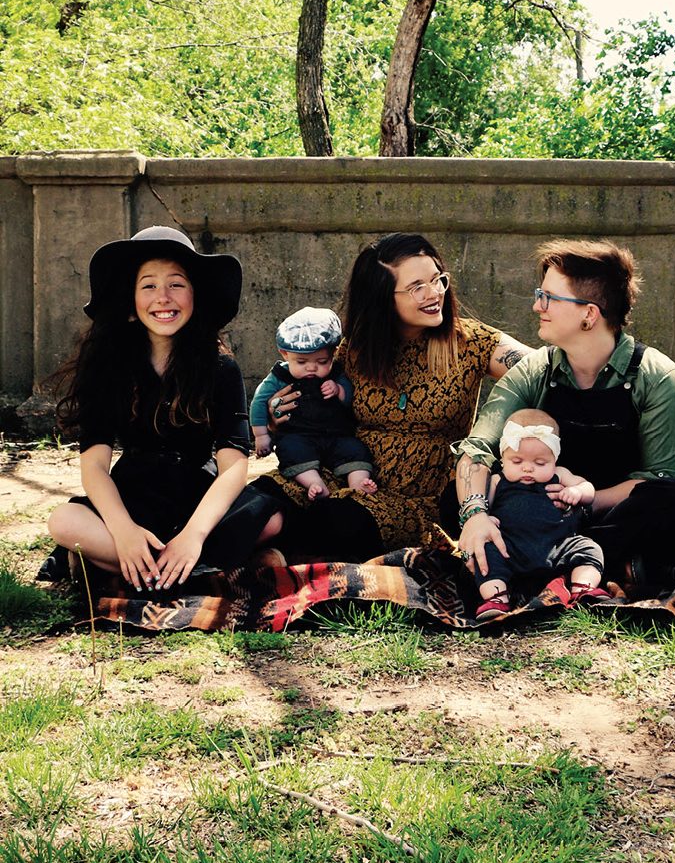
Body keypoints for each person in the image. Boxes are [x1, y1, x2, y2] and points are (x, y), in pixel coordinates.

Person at [264, 233, 532, 561]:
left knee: (337, 522)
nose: (434, 293)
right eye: (417, 286)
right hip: (342, 469)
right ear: (381, 298)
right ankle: (261, 554)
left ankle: (275, 558)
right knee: (258, 501)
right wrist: (276, 421)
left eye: (437, 279)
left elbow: (542, 369)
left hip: (415, 497)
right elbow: (316, 404)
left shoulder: (472, 342)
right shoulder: (356, 348)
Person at [454, 240, 675, 595]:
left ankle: (547, 568)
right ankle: (602, 570)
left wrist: (584, 498)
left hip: (609, 516)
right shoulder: (533, 372)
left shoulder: (656, 376)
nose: (537, 305)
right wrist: (475, 515)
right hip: (535, 518)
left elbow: (657, 478)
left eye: (549, 298)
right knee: (458, 494)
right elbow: (478, 448)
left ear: (589, 314)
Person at [47, 226, 283, 591]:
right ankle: (188, 570)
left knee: (271, 519)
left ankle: (125, 568)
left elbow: (234, 464)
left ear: (195, 294)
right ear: (131, 299)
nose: (163, 297)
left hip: (197, 495)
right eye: (148, 286)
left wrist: (194, 535)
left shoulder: (221, 367)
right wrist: (124, 531)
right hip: (133, 496)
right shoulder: (108, 366)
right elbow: (93, 466)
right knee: (63, 521)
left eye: (176, 284)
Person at [471, 408, 607, 621]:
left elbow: (588, 488)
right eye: (517, 461)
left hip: (558, 546)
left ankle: (583, 588)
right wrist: (485, 517)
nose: (527, 468)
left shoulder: (559, 474)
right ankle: (496, 598)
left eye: (540, 463)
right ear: (503, 458)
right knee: (487, 554)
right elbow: (483, 504)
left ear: (554, 460)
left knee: (588, 548)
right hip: (510, 548)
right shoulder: (498, 480)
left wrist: (577, 492)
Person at [250, 307, 376, 500]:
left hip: (336, 435)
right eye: (301, 362)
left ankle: (359, 483)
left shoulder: (336, 374)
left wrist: (338, 390)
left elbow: (351, 397)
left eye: (322, 361)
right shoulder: (279, 377)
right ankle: (314, 483)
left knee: (355, 450)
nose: (311, 368)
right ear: (285, 354)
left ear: (333, 353)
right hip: (298, 435)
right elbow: (258, 402)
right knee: (290, 450)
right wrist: (261, 436)